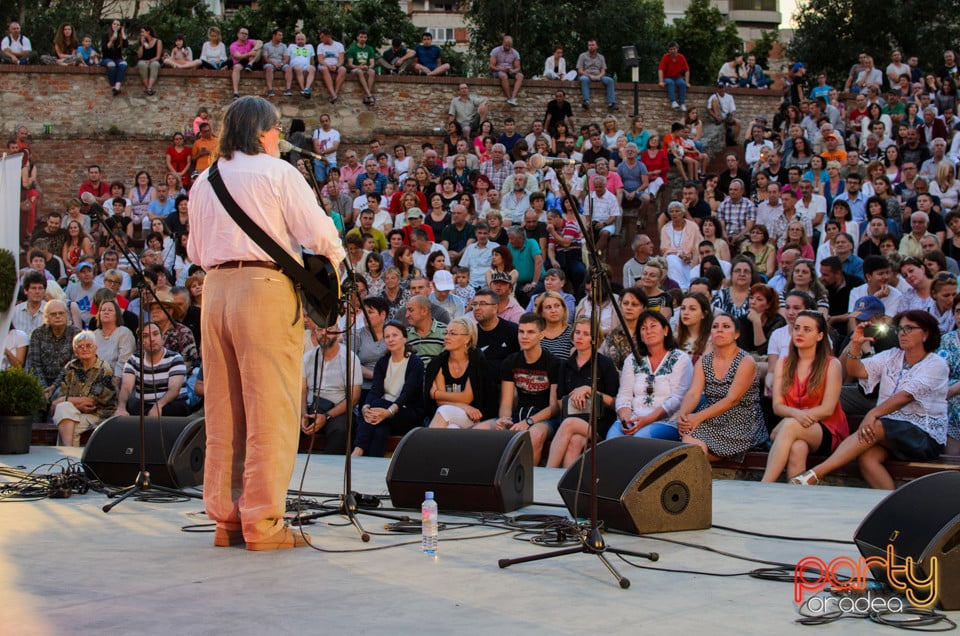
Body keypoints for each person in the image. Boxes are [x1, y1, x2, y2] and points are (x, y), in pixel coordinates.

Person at [187, 97, 344, 550]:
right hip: (264, 289)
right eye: (276, 130)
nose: (280, 138)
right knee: (272, 407)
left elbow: (196, 252)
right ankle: (263, 523)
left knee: (224, 409)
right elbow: (321, 237)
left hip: (215, 291)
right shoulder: (279, 173)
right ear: (261, 132)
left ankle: (227, 519)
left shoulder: (204, 179)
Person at [795, 311, 948, 489]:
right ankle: (891, 508)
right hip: (890, 431)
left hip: (923, 436)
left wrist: (873, 413)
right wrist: (855, 346)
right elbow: (856, 370)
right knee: (868, 459)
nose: (902, 333)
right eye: (899, 329)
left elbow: (906, 395)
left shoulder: (936, 364)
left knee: (875, 426)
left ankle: (816, 473)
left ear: (926, 333)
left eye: (909, 328)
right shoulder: (892, 355)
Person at [761, 310, 847, 482]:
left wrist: (789, 420)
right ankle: (795, 502)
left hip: (827, 428)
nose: (800, 333)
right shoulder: (783, 363)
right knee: (797, 448)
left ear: (820, 336)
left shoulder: (832, 364)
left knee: (791, 426)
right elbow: (777, 406)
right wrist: (795, 415)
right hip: (796, 427)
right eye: (797, 328)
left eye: (807, 329)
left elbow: (827, 409)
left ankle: (765, 485)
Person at [675, 313, 768, 461]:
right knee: (690, 436)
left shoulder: (746, 361)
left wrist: (697, 417)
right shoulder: (703, 361)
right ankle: (698, 476)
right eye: (715, 327)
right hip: (711, 416)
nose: (719, 330)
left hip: (741, 419)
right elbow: (693, 393)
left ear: (736, 334)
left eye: (726, 327)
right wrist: (684, 415)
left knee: (694, 441)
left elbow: (732, 399)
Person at [477, 312, 560, 465]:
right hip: (518, 415)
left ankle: (530, 483)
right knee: (478, 432)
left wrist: (529, 421)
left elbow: (554, 407)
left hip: (545, 419)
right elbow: (506, 402)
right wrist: (504, 419)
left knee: (533, 435)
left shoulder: (553, 363)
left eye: (530, 332)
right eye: (521, 331)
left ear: (541, 335)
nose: (524, 336)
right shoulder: (511, 361)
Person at [606, 310, 694, 441]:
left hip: (667, 421)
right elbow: (624, 395)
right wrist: (626, 419)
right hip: (633, 418)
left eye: (653, 326)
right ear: (640, 336)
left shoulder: (681, 359)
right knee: (611, 442)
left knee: (641, 438)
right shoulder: (632, 359)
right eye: (643, 328)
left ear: (665, 330)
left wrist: (648, 419)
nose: (648, 331)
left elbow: (678, 398)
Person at [545, 318, 620, 468]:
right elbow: (560, 401)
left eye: (586, 334)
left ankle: (547, 473)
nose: (580, 337)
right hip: (573, 418)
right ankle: (566, 488)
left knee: (568, 423)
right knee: (575, 441)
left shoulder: (605, 364)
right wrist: (575, 399)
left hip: (598, 425)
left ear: (595, 339)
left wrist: (590, 391)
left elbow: (615, 403)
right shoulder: (565, 365)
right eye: (577, 332)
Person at [353, 320, 424, 457]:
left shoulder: (415, 363)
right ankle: (373, 470)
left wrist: (388, 412)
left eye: (395, 335)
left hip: (407, 413)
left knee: (376, 404)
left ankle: (358, 449)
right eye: (387, 336)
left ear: (404, 338)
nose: (391, 339)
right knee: (380, 431)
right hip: (382, 414)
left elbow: (407, 395)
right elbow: (375, 390)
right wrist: (365, 407)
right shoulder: (383, 362)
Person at [301, 324, 362, 456]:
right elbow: (302, 391)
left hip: (338, 409)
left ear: (338, 333)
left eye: (329, 330)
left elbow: (354, 397)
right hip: (313, 407)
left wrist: (327, 416)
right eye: (320, 330)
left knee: (340, 430)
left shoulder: (350, 358)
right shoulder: (308, 357)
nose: (323, 333)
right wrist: (303, 414)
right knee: (289, 426)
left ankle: (331, 473)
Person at [426, 316, 497, 429]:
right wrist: (464, 406)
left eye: (453, 334)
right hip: (456, 413)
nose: (447, 337)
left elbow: (467, 397)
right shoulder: (439, 362)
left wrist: (436, 393)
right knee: (452, 427)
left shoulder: (476, 359)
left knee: (445, 411)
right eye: (446, 333)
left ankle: (424, 445)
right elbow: (440, 402)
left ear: (467, 339)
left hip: (476, 417)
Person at [50, 331, 117, 446]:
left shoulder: (105, 370)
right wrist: (68, 402)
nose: (84, 349)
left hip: (99, 414)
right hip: (74, 411)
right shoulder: (71, 367)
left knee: (66, 420)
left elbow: (90, 404)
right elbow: (63, 393)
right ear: (75, 351)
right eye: (80, 347)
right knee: (64, 410)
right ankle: (70, 456)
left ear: (95, 348)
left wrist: (63, 401)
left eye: (88, 346)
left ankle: (67, 456)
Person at [115, 322, 190, 417]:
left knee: (175, 409)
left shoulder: (175, 358)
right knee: (132, 408)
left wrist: (159, 405)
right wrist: (121, 407)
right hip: (144, 407)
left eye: (155, 334)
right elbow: (126, 387)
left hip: (172, 406)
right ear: (140, 341)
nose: (151, 339)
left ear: (162, 338)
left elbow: (174, 390)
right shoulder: (134, 360)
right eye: (145, 336)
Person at [26, 300, 81, 399]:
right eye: (53, 314)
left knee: (57, 395)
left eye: (61, 313)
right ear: (46, 317)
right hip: (40, 382)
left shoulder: (76, 335)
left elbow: (72, 365)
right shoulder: (37, 334)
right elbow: (34, 364)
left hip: (66, 382)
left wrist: (54, 386)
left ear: (67, 315)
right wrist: (43, 388)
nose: (58, 316)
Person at [576, 39, 617, 111]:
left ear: (597, 46)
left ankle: (611, 103)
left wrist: (599, 76)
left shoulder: (601, 57)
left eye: (593, 45)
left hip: (599, 75)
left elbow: (603, 71)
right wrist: (589, 75)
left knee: (610, 80)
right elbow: (580, 70)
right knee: (583, 79)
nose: (591, 47)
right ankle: (586, 101)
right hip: (587, 75)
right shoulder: (583, 56)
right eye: (589, 45)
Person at [346, 29, 377, 106]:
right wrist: (358, 67)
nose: (363, 39)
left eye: (365, 37)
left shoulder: (369, 48)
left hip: (366, 68)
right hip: (355, 68)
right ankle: (369, 95)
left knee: (372, 72)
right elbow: (350, 64)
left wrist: (368, 67)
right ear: (357, 38)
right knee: (359, 71)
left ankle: (367, 96)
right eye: (361, 37)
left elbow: (372, 64)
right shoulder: (352, 49)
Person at [489, 35, 523, 106]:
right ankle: (509, 98)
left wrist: (513, 71)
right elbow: (491, 66)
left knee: (520, 76)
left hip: (510, 70)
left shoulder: (515, 53)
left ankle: (513, 97)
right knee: (503, 76)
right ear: (503, 43)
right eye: (506, 45)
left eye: (509, 45)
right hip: (498, 70)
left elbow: (518, 67)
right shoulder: (495, 51)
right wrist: (501, 69)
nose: (507, 47)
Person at [316, 29, 346, 103]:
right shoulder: (320, 46)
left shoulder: (339, 45)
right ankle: (332, 93)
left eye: (322, 37)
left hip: (336, 65)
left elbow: (341, 60)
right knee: (324, 69)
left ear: (328, 36)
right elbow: (320, 60)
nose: (321, 39)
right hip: (325, 65)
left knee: (343, 70)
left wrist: (336, 66)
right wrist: (328, 65)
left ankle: (335, 93)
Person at [658, 42, 690, 111]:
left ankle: (682, 103)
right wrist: (661, 81)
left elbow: (687, 70)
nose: (673, 51)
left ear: (677, 49)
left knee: (682, 84)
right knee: (670, 82)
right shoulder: (666, 57)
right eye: (671, 49)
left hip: (677, 77)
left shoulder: (681, 57)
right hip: (667, 77)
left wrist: (687, 82)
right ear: (668, 50)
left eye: (674, 49)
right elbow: (661, 70)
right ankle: (673, 102)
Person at [260, 28, 291, 98]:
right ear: (274, 35)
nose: (281, 37)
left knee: (289, 68)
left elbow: (286, 58)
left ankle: (288, 89)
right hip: (270, 63)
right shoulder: (266, 45)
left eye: (282, 35)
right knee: (269, 68)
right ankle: (270, 90)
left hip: (281, 63)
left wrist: (282, 64)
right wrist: (274, 63)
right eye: (279, 35)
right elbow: (265, 58)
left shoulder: (284, 46)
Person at [136, 26, 162, 96]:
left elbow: (158, 56)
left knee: (155, 64)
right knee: (141, 64)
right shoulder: (142, 42)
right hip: (143, 61)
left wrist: (150, 61)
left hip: (154, 60)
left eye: (143, 32)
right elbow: (139, 56)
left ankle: (149, 87)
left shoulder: (158, 41)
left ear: (148, 32)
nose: (141, 34)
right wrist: (141, 44)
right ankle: (148, 88)